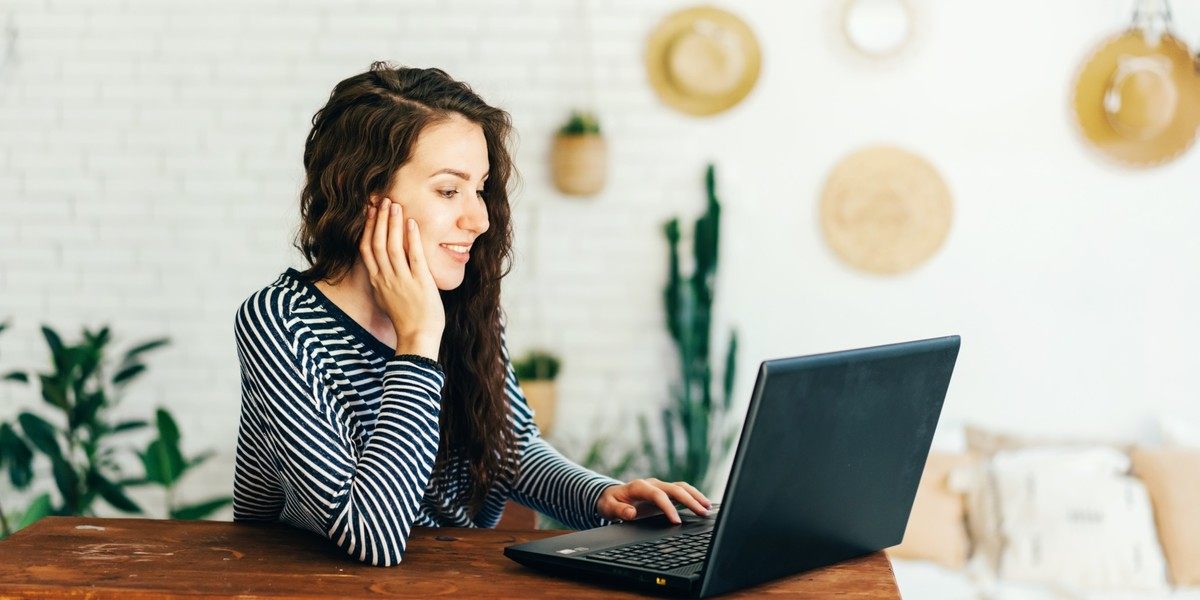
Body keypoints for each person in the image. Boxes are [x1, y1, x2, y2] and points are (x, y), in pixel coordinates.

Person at [231, 62, 711, 567]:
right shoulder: (279, 322)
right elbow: (372, 534)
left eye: (479, 188)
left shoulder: (462, 297)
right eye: (447, 190)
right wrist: (417, 340)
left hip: (448, 576)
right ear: (366, 194)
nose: (479, 219)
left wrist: (601, 496)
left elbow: (508, 448)